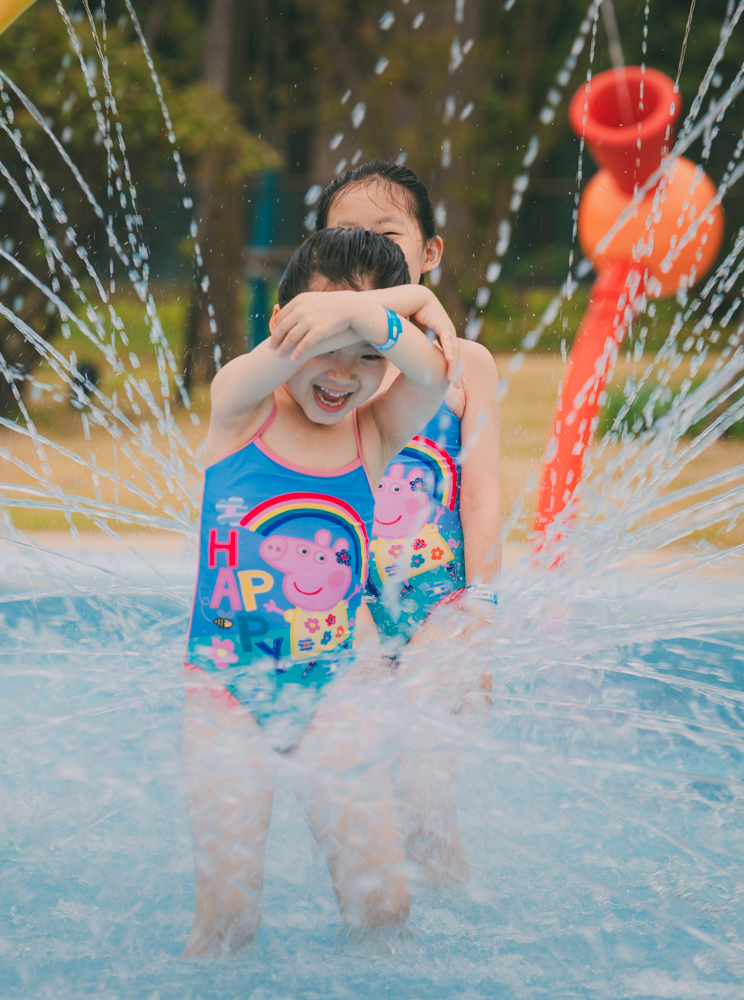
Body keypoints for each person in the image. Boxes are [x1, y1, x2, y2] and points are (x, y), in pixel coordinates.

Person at [182, 226, 457, 957]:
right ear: (283, 328)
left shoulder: (374, 435)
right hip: (225, 693)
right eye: (323, 342)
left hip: (330, 689)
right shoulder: (241, 408)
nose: (343, 372)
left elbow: (430, 375)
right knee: (230, 916)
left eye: (367, 355)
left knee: (383, 903)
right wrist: (406, 301)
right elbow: (262, 366)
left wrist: (378, 316)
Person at [315, 160, 503, 886]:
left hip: (439, 608)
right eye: (346, 238)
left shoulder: (468, 367)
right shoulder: (332, 370)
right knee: (362, 793)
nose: (368, 252)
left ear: (431, 253)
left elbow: (482, 495)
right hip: (345, 607)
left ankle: (451, 933)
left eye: (386, 237)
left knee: (427, 799)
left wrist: (482, 610)